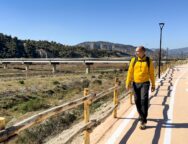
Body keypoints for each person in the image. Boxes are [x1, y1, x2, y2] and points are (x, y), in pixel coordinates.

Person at [126, 46, 155, 130]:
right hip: (135, 83)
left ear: (143, 52)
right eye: (136, 51)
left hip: (145, 83)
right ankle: (141, 114)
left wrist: (153, 85)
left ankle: (143, 121)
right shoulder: (133, 60)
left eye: (138, 51)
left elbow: (152, 74)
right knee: (136, 100)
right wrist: (127, 83)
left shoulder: (149, 61)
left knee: (144, 100)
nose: (136, 53)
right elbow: (130, 72)